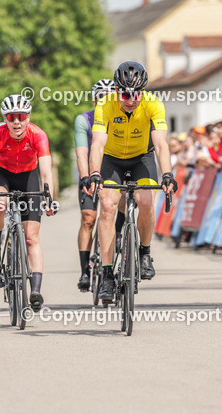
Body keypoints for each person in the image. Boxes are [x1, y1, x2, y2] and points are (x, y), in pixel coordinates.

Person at [86, 61, 176, 303]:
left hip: (141, 158)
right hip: (111, 159)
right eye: (125, 94)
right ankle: (107, 274)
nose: (130, 100)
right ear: (117, 91)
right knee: (107, 206)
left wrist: (167, 174)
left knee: (145, 201)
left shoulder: (153, 103)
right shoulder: (105, 105)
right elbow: (97, 144)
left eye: (136, 94)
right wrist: (94, 172)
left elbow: (160, 144)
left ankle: (145, 252)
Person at [0, 94, 56, 311]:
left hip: (28, 176)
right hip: (2, 174)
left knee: (31, 238)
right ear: (5, 119)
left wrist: (49, 199)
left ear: (28, 117)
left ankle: (36, 290)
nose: (17, 122)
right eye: (11, 117)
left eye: (21, 116)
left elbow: (46, 172)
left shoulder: (38, 135)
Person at [73, 78, 113, 292]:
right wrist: (84, 177)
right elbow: (82, 152)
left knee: (114, 212)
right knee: (88, 218)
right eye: (100, 97)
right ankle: (84, 271)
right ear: (94, 99)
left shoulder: (120, 118)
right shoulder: (84, 120)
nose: (104, 100)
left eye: (109, 96)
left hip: (113, 172)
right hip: (91, 171)